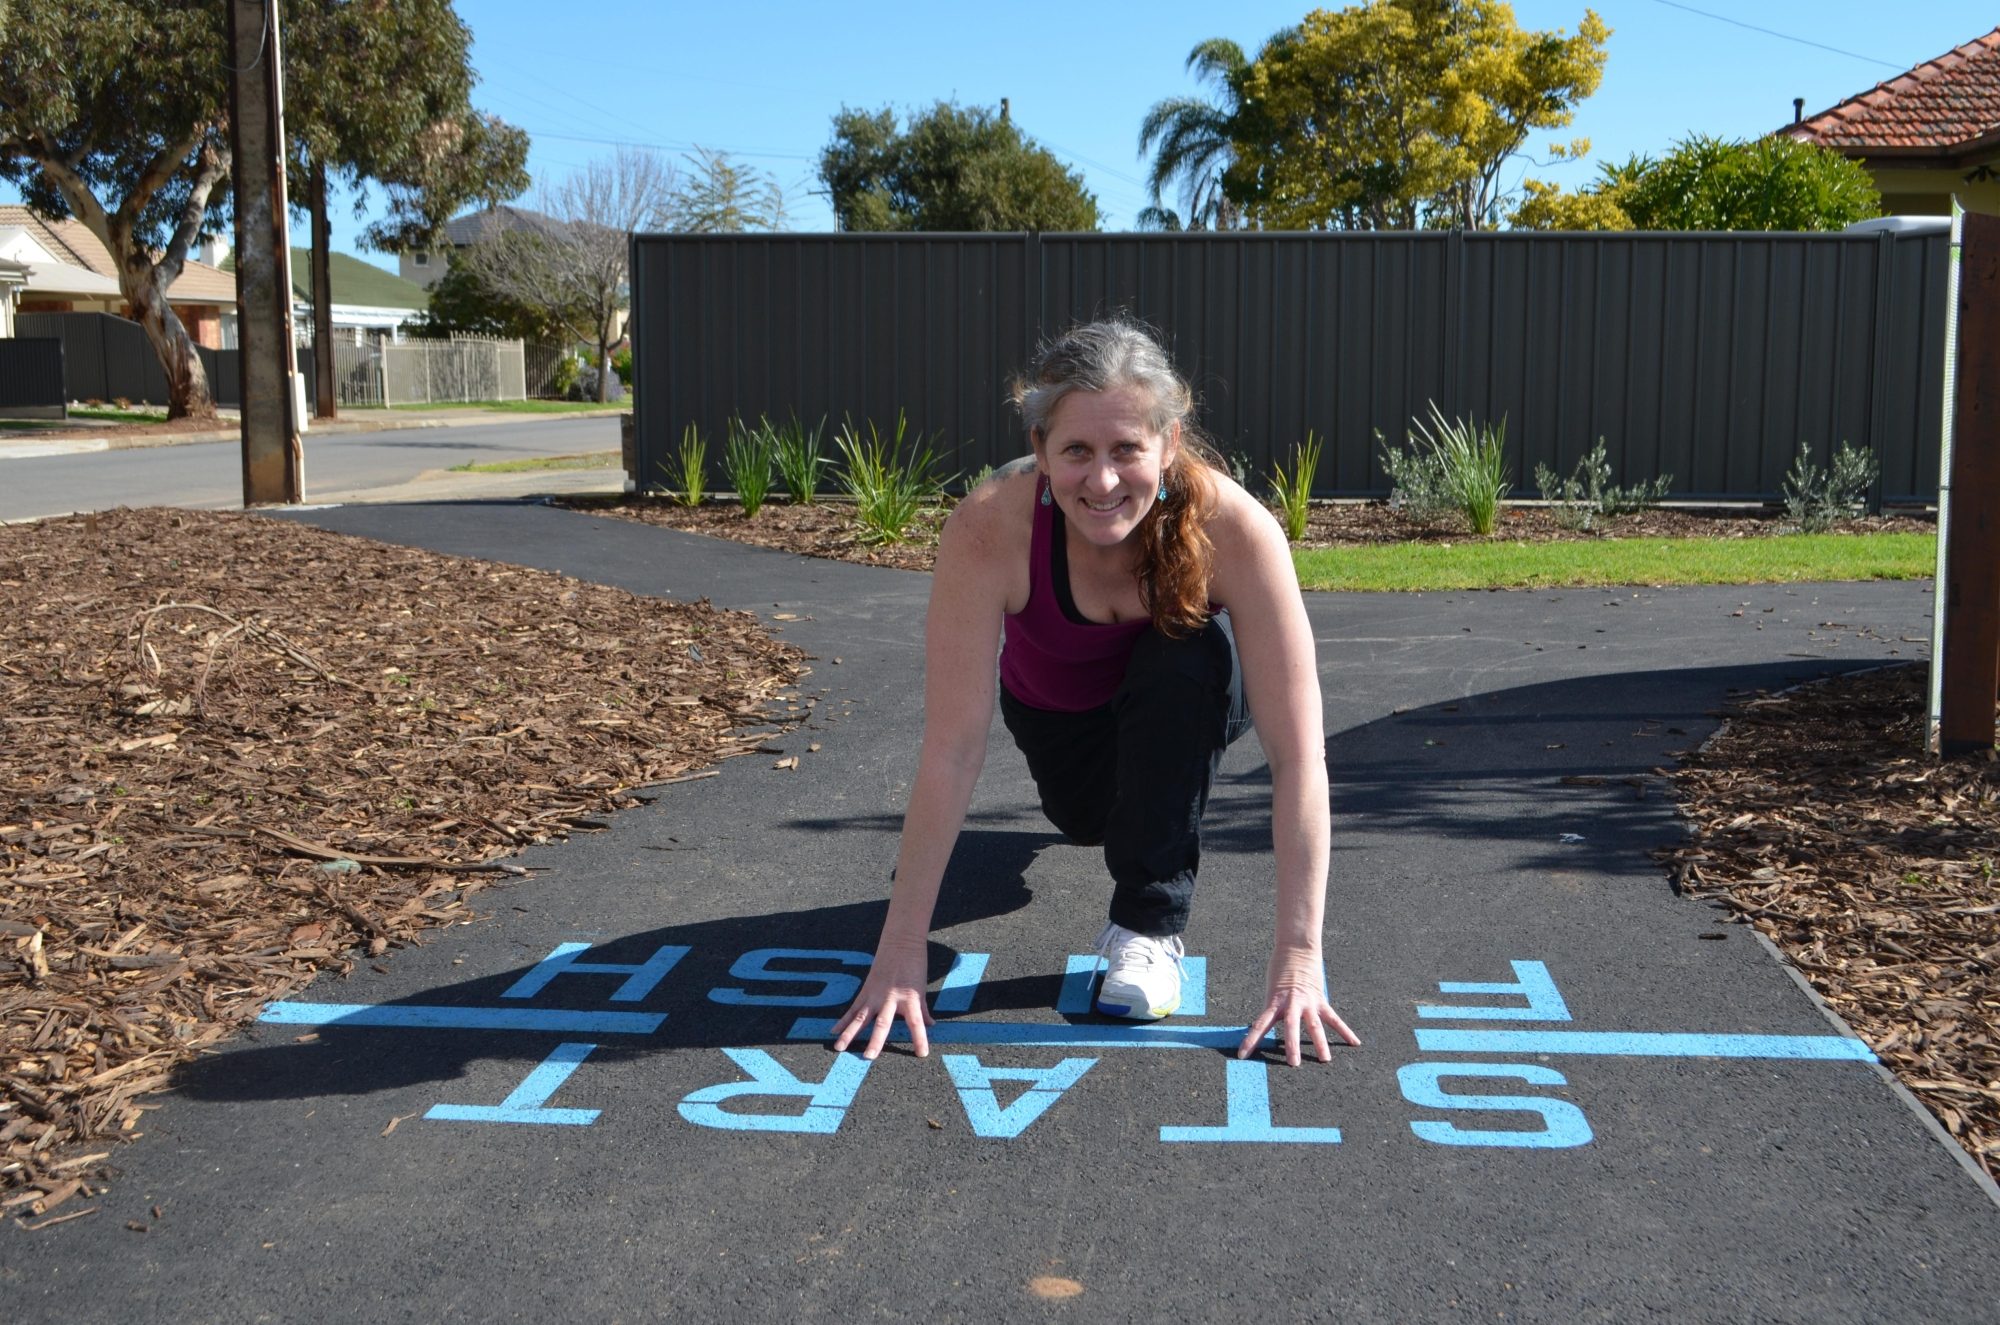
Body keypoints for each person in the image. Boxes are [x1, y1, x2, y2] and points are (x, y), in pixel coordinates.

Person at [830, 318, 1360, 1067]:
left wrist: (1300, 957)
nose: (1103, 481)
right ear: (1041, 450)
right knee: (1088, 820)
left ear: (1170, 443)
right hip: (1060, 717)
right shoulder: (989, 527)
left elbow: (1299, 756)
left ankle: (1146, 929)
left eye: (1127, 450)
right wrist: (899, 949)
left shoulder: (1234, 528)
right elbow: (952, 747)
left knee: (1183, 655)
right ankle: (1132, 812)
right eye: (1077, 450)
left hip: (1186, 694)